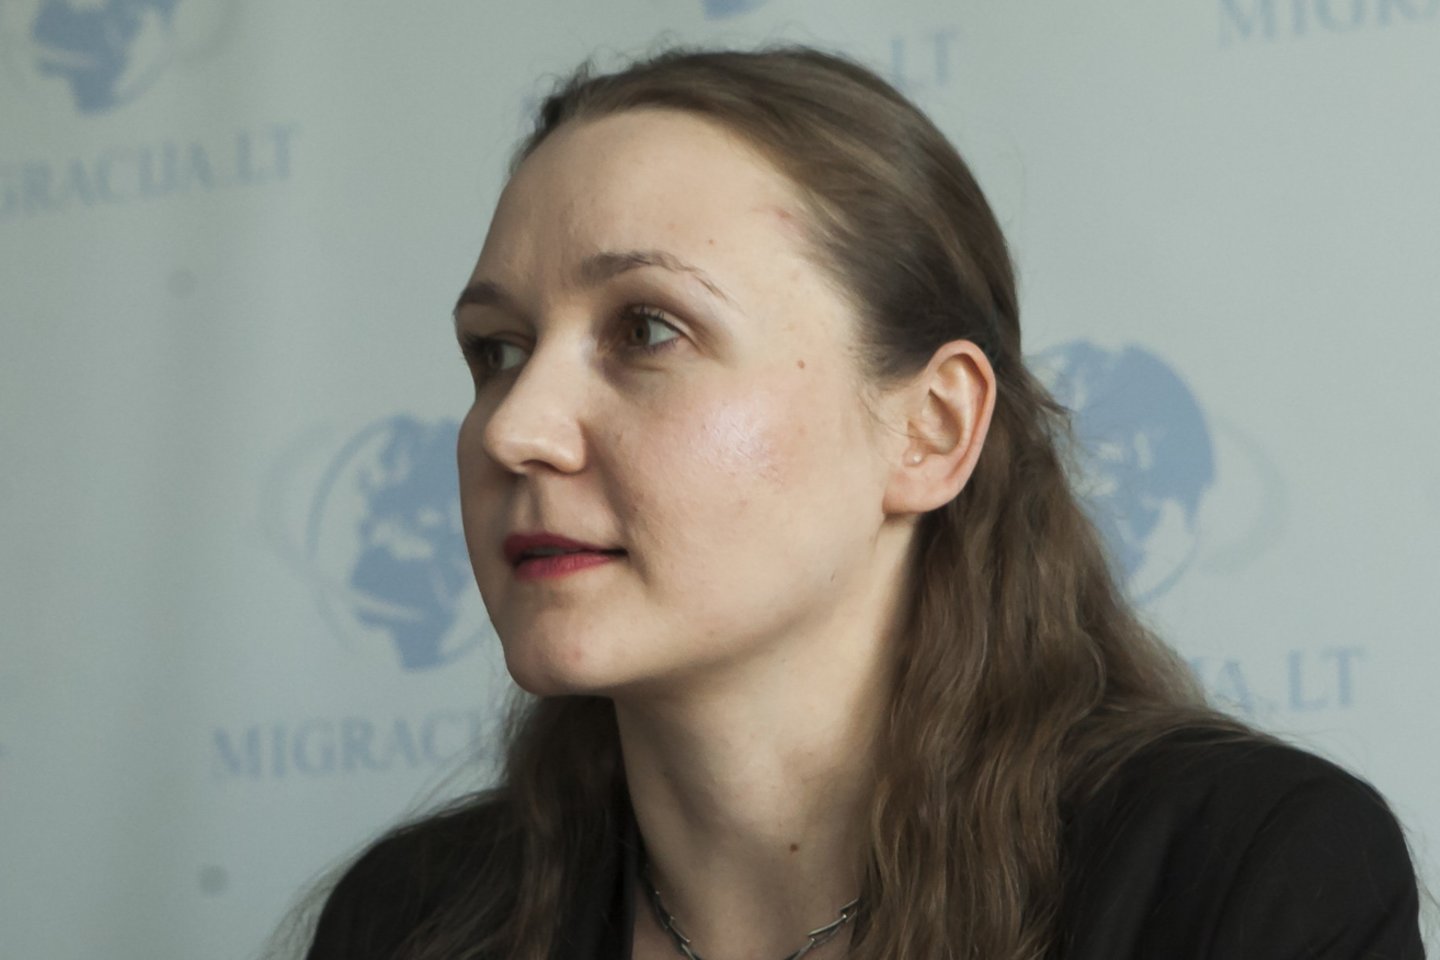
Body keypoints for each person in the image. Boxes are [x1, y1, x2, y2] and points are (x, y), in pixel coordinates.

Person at [296, 45, 1426, 960]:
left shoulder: (1242, 878)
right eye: (496, 350)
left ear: (930, 429)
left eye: (647, 329)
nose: (513, 428)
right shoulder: (408, 923)